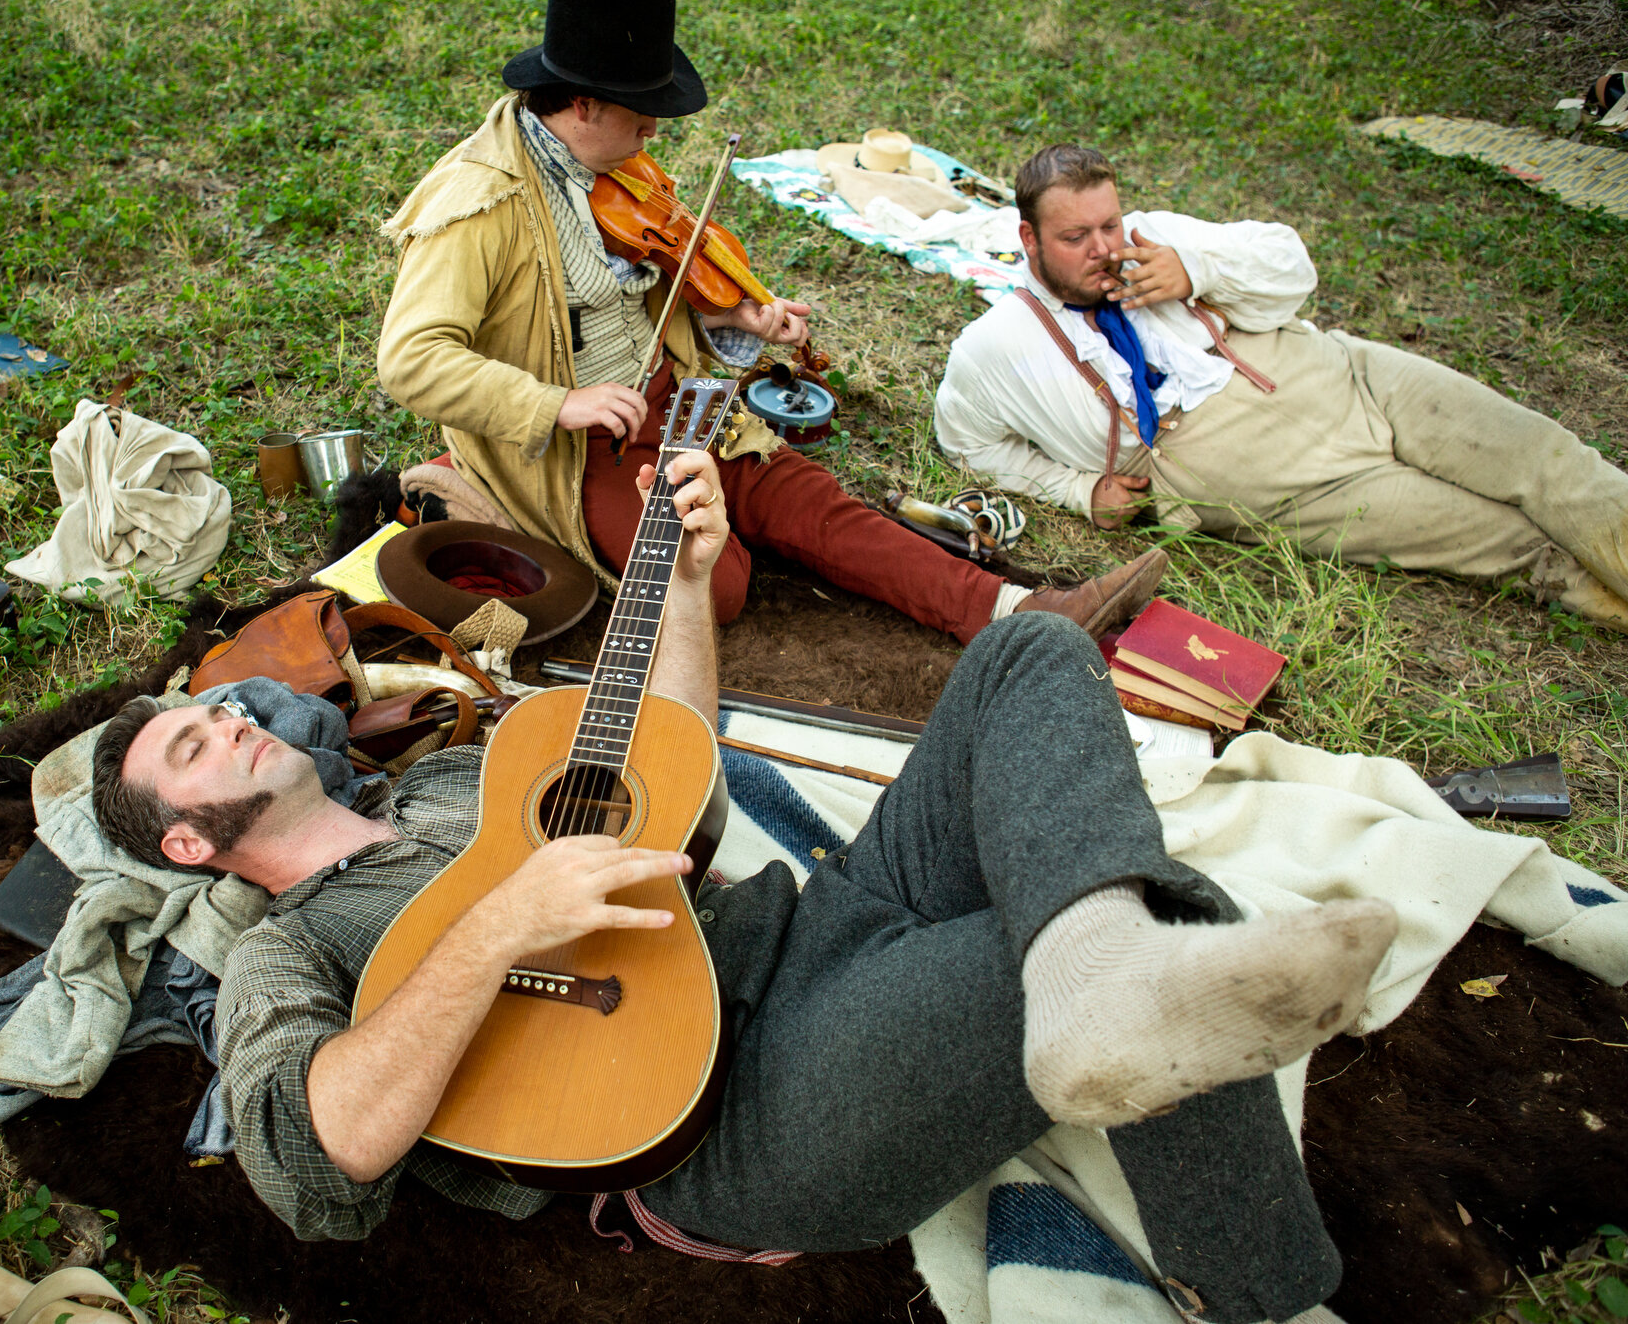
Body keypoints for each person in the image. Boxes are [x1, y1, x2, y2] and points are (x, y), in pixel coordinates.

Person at [90, 439, 1398, 1324]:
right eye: (194, 749)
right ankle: (1267, 1283)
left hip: (809, 929)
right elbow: (320, 1168)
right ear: (190, 845)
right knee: (1140, 916)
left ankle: (1099, 967)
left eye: (216, 713)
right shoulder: (283, 951)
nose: (239, 723)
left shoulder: (451, 779)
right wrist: (499, 928)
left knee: (1032, 660)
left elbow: (671, 764)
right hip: (731, 1112)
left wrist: (690, 580)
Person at [373, 0, 1169, 647]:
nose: (656, 133)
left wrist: (740, 319)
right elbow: (409, 360)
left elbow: (660, 289)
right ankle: (494, 501)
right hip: (578, 450)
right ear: (582, 105)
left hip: (671, 402)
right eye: (642, 114)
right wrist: (558, 403)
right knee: (718, 590)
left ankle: (1018, 613)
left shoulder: (615, 165)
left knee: (818, 506)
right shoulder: (476, 203)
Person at [934, 143, 1628, 632]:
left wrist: (1193, 270)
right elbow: (966, 442)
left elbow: (1292, 265)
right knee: (1511, 544)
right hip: (1281, 477)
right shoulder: (998, 344)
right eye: (1075, 236)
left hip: (1340, 373)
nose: (1105, 248)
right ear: (1028, 238)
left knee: (1547, 458)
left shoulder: (1157, 238)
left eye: (1109, 224)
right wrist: (1081, 492)